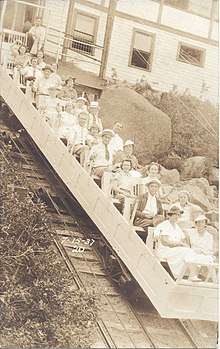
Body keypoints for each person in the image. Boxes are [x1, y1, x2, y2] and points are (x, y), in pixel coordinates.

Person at [154, 206, 208, 281]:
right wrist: (181, 244)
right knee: (186, 251)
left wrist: (184, 243)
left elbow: (183, 238)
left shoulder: (177, 226)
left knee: (191, 251)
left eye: (178, 215)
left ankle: (193, 275)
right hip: (165, 250)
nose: (177, 216)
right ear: (169, 215)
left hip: (175, 250)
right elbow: (165, 241)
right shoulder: (164, 225)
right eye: (175, 214)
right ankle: (192, 275)